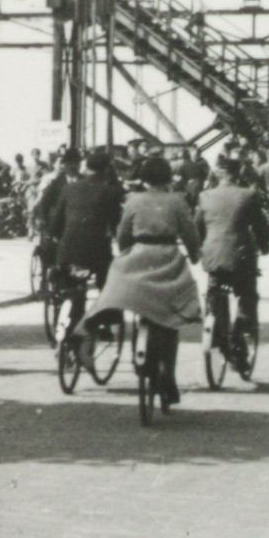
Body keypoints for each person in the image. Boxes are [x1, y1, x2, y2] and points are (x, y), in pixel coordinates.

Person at [84, 155, 203, 409]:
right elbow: (189, 233)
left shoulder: (134, 200)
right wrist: (194, 255)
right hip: (168, 257)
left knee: (124, 290)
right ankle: (168, 374)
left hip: (139, 256)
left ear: (145, 177)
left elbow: (122, 234)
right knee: (172, 318)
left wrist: (127, 251)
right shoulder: (177, 200)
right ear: (167, 177)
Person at [195, 151, 269, 362]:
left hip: (213, 256)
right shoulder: (248, 195)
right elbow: (260, 227)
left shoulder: (205, 196)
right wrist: (265, 247)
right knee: (248, 296)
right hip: (241, 257)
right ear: (238, 174)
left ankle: (215, 328)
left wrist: (200, 248)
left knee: (214, 292)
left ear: (219, 174)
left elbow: (197, 228)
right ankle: (240, 335)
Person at [42, 148, 123, 291]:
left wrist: (54, 236)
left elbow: (57, 219)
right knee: (107, 279)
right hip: (96, 251)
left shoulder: (69, 188)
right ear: (106, 170)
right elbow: (116, 222)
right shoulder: (109, 192)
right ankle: (105, 299)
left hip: (68, 249)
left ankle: (69, 290)